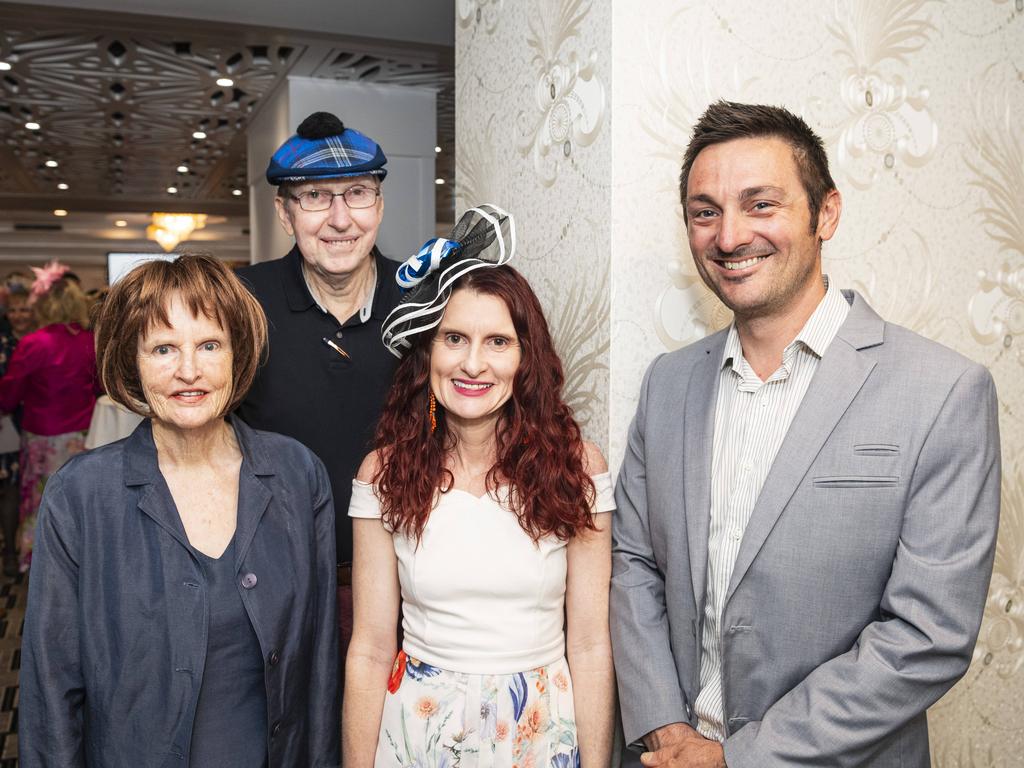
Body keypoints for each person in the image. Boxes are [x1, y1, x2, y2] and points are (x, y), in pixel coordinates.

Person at [610, 101, 1001, 768]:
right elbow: (635, 564)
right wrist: (664, 730)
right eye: (705, 212)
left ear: (826, 214)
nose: (729, 236)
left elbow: (926, 636)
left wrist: (738, 758)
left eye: (760, 205)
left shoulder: (943, 391)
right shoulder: (667, 383)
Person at [19, 254, 339, 767]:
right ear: (132, 363)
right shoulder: (82, 495)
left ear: (238, 354)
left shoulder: (297, 475)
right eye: (164, 348)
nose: (188, 371)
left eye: (209, 345)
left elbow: (320, 669)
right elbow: (51, 689)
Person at [344, 206, 615, 768]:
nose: (473, 363)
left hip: (539, 730)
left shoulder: (576, 468)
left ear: (525, 358)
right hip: (418, 730)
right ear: (428, 352)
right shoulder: (384, 473)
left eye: (498, 342)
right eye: (454, 338)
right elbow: (370, 648)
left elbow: (589, 644)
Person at [235, 110, 403, 670]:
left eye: (356, 193)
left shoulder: (428, 303)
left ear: (378, 205)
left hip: (409, 588)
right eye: (313, 197)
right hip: (273, 585)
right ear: (285, 214)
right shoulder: (241, 304)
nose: (339, 219)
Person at [0, 261, 96, 572]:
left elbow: (8, 396)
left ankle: (41, 565)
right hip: (84, 435)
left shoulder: (33, 343)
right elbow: (101, 387)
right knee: (80, 503)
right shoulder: (89, 341)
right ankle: (82, 562)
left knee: (40, 506)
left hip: (43, 436)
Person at [0, 282, 35, 576]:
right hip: (6, 426)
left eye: (24, 309)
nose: (19, 315)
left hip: (37, 425)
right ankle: (10, 553)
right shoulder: (2, 343)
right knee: (9, 490)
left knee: (31, 491)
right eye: (13, 310)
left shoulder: (39, 341)